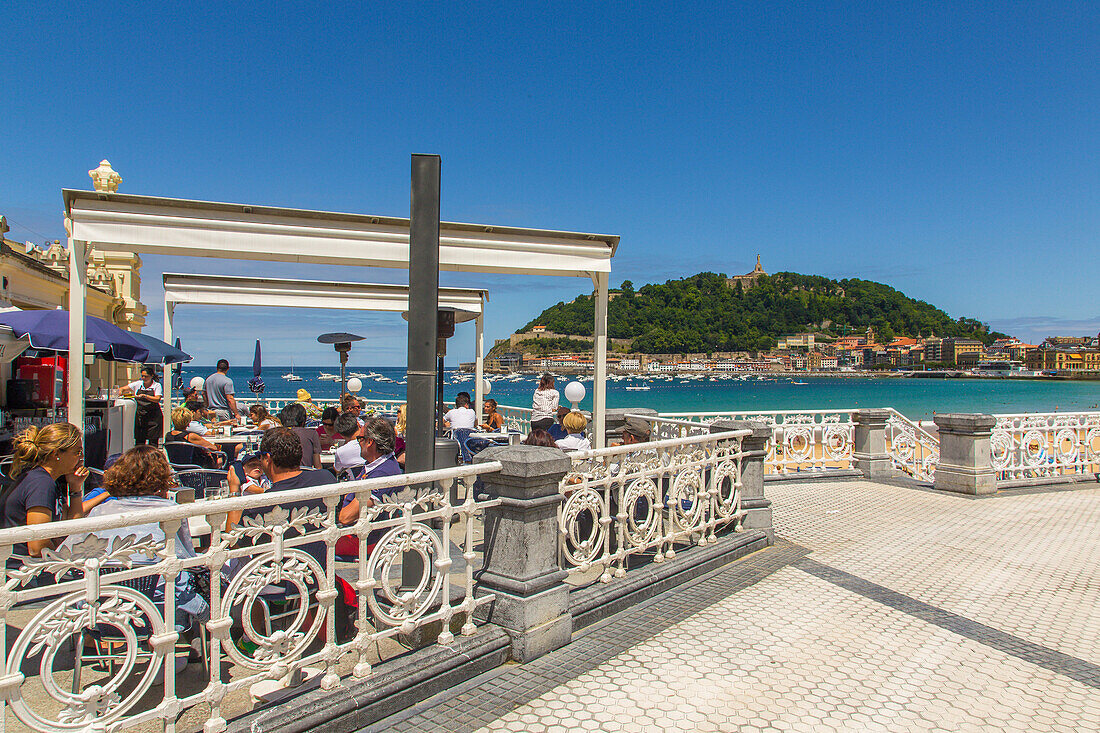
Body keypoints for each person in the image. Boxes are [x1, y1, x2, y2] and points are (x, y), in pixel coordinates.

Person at [61, 446, 210, 638]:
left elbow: (70, 553)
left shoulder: (100, 510)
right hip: (156, 611)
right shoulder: (170, 510)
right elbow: (186, 558)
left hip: (100, 611)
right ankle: (191, 648)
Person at [1, 423, 88, 557]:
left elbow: (72, 528)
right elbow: (38, 546)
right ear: (56, 454)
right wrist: (63, 560)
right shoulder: (41, 483)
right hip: (22, 571)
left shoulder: (47, 480)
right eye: (77, 452)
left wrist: (75, 487)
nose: (81, 458)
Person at [335, 418, 403, 557]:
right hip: (362, 533)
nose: (357, 443)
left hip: (364, 540)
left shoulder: (381, 474)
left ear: (370, 441)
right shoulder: (382, 464)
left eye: (360, 438)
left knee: (312, 545)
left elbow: (346, 517)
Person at [124, 366, 163, 446]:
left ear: (152, 376)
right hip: (141, 417)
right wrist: (120, 392)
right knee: (140, 441)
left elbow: (157, 399)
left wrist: (145, 396)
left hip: (153, 417)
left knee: (153, 442)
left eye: (146, 376)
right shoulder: (137, 384)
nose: (144, 378)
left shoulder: (157, 385)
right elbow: (123, 389)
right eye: (142, 376)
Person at [277, 403, 322, 469]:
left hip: (282, 475)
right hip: (305, 474)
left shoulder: (276, 434)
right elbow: (317, 466)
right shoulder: (311, 434)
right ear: (303, 420)